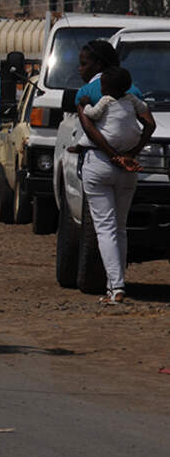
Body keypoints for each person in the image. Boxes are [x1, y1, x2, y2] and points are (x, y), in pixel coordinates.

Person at [74, 66, 155, 305]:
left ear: (107, 87)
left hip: (100, 165)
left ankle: (116, 287)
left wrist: (82, 107)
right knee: (120, 228)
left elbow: (90, 122)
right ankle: (115, 285)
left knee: (105, 229)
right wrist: (131, 154)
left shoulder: (105, 101)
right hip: (128, 168)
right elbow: (150, 125)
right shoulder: (133, 100)